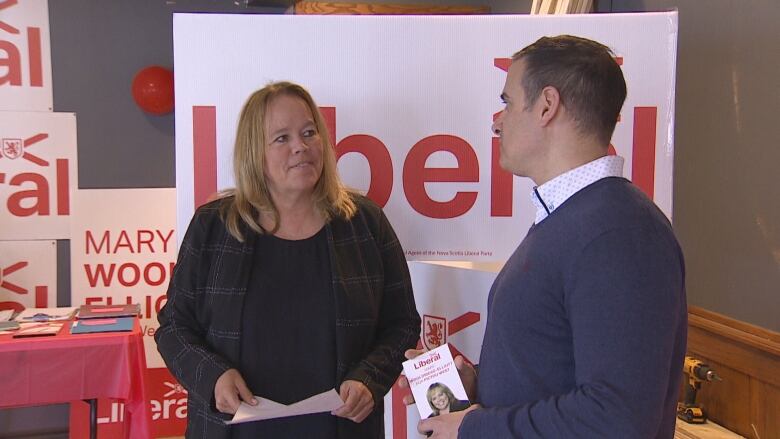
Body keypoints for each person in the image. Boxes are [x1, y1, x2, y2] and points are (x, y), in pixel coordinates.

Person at [405, 35, 687, 438]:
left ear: (547, 106)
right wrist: (476, 386)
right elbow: (555, 369)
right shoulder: (575, 219)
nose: (496, 121)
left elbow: (617, 419)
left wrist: (477, 429)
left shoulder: (620, 233)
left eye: (507, 102)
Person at [156, 81, 421, 439]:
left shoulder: (365, 223)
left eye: (309, 132)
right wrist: (213, 376)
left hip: (340, 429)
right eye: (282, 138)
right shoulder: (213, 226)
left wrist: (369, 379)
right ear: (255, 153)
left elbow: (401, 323)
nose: (301, 147)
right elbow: (173, 326)